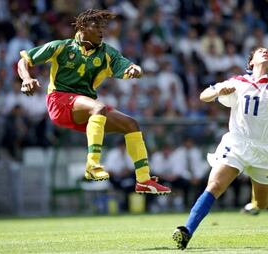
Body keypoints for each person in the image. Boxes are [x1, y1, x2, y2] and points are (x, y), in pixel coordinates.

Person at [17, 9, 170, 195]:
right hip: (59, 101)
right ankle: (92, 164)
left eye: (102, 27)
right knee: (99, 107)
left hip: (84, 108)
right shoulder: (62, 47)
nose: (101, 31)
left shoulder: (106, 53)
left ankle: (144, 180)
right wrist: (26, 79)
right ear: (82, 27)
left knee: (131, 124)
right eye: (96, 26)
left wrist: (134, 69)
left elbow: (127, 65)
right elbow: (24, 61)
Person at [172, 47, 268, 250]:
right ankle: (187, 231)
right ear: (251, 63)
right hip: (237, 143)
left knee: (263, 202)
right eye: (260, 51)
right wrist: (217, 91)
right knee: (214, 185)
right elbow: (204, 95)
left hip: (264, 149)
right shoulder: (238, 82)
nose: (265, 52)